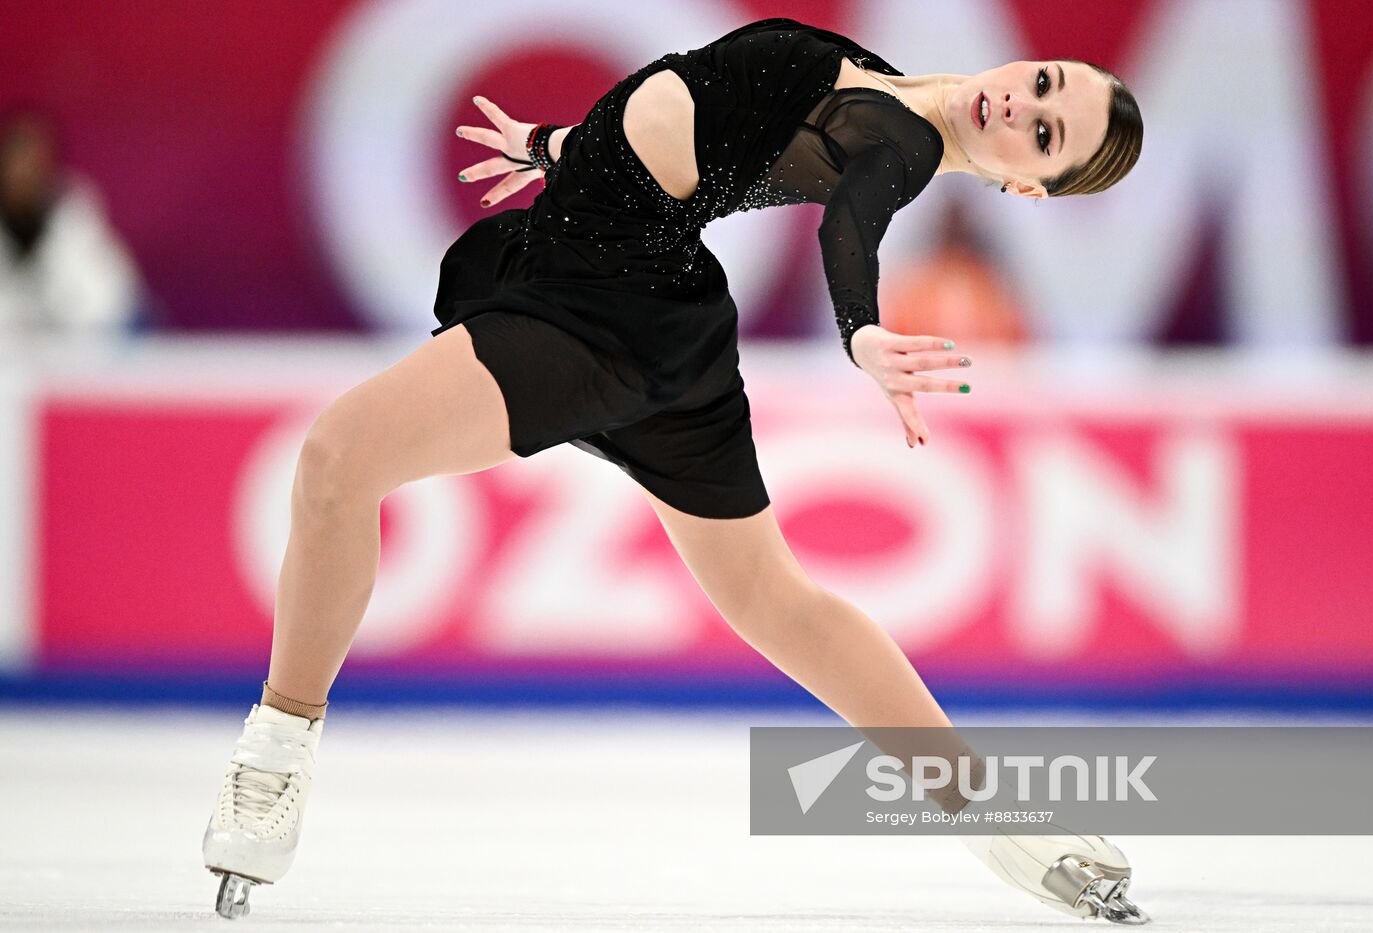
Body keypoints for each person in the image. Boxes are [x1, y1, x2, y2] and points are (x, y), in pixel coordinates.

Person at [200, 17, 1145, 923]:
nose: (1022, 107)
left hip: (596, 311)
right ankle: (993, 817)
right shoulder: (886, 76)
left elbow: (848, 229)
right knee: (774, 598)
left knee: (336, 460)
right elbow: (698, 118)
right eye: (1047, 85)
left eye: (1046, 136)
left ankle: (276, 753)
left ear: (1027, 189)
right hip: (650, 305)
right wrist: (557, 146)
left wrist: (859, 329)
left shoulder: (896, 141)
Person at [0, 111, 144, 339]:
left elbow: (111, 303)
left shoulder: (76, 220)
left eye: (32, 162)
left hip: (77, 357)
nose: (22, 174)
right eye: (14, 161)